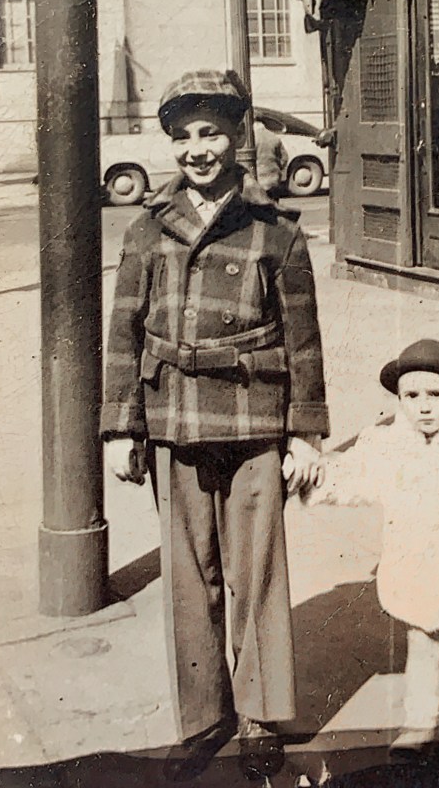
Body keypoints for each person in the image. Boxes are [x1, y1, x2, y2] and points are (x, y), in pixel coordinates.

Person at [100, 69, 329, 780]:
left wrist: (306, 432)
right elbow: (123, 331)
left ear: (237, 138)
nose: (198, 150)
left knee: (254, 572)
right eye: (184, 137)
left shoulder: (276, 231)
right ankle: (204, 717)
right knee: (188, 576)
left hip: (255, 417)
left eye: (211, 134)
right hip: (173, 417)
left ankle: (261, 713)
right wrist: (121, 429)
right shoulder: (148, 229)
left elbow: (303, 340)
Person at [304, 339, 439, 756]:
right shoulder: (386, 445)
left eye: (435, 395)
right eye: (411, 396)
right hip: (416, 566)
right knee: (423, 641)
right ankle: (420, 722)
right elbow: (352, 478)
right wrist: (316, 479)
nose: (423, 406)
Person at [254, 118, 288, 200]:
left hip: (259, 177)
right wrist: (278, 167)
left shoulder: (251, 139)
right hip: (274, 176)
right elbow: (284, 157)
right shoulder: (274, 137)